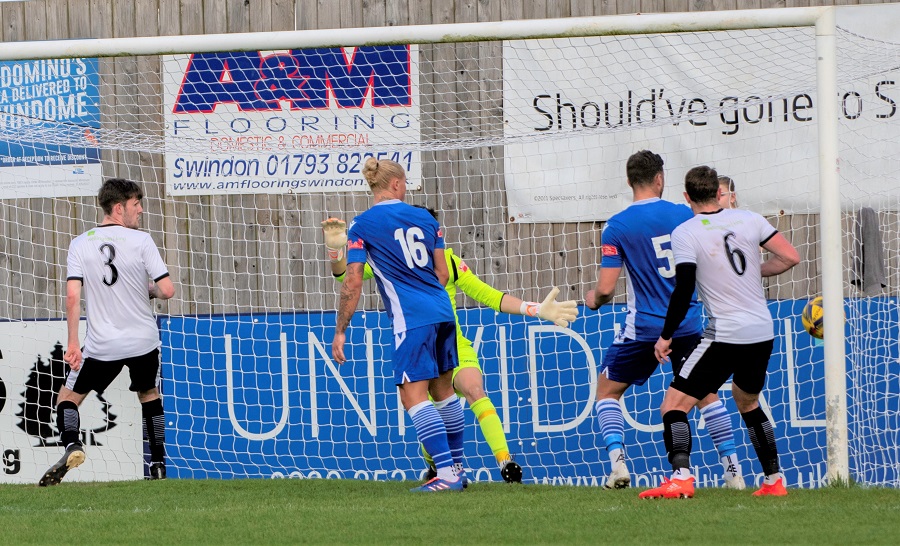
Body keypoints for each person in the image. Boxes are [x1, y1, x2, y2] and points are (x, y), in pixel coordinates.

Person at [323, 209, 578, 484]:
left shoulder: (449, 262)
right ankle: (440, 468)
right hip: (421, 343)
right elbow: (343, 276)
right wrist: (336, 250)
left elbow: (490, 296)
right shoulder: (393, 260)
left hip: (454, 345)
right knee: (431, 412)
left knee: (473, 389)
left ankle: (504, 461)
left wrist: (535, 308)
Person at [586, 150, 746, 490]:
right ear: (660, 179)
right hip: (686, 324)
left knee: (607, 391)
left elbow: (606, 288)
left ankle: (618, 466)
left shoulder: (616, 226)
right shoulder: (682, 213)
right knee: (705, 395)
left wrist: (594, 300)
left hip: (643, 328)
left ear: (630, 181)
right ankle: (733, 472)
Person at [641, 165, 800, 499]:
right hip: (761, 331)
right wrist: (754, 274)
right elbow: (790, 257)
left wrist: (666, 334)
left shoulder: (686, 232)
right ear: (719, 193)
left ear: (687, 198)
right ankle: (774, 481)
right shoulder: (750, 219)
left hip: (725, 334)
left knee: (673, 404)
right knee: (748, 401)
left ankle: (681, 477)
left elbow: (684, 289)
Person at [331, 157, 468, 492]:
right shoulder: (423, 217)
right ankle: (459, 468)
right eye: (405, 182)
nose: (405, 187)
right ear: (395, 184)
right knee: (443, 391)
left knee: (413, 396)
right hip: (442, 309)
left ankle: (447, 475)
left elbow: (352, 282)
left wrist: (340, 330)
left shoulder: (361, 225)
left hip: (412, 318)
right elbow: (444, 273)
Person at [39, 178, 175, 486]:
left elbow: (73, 297)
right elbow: (167, 290)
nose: (140, 210)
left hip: (103, 345)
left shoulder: (79, 243)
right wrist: (146, 291)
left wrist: (73, 343)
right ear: (118, 208)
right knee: (149, 395)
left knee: (68, 400)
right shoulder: (142, 240)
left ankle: (73, 444)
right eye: (135, 204)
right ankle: (157, 465)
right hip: (143, 341)